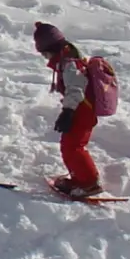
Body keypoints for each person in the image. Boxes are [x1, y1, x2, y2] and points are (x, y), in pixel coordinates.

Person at [34, 22, 102, 198]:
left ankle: (89, 184)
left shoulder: (70, 64)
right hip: (81, 109)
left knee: (73, 147)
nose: (45, 57)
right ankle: (81, 178)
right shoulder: (68, 57)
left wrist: (68, 112)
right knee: (70, 145)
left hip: (81, 110)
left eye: (44, 53)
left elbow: (76, 89)